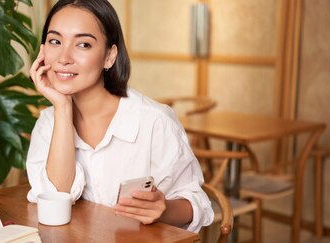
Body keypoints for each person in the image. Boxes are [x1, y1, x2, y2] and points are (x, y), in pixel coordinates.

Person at [26, 0, 213, 232]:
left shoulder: (154, 121)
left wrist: (163, 209)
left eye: (83, 44)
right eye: (55, 41)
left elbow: (198, 204)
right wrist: (63, 108)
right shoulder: (48, 123)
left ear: (109, 56)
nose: (64, 58)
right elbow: (57, 199)